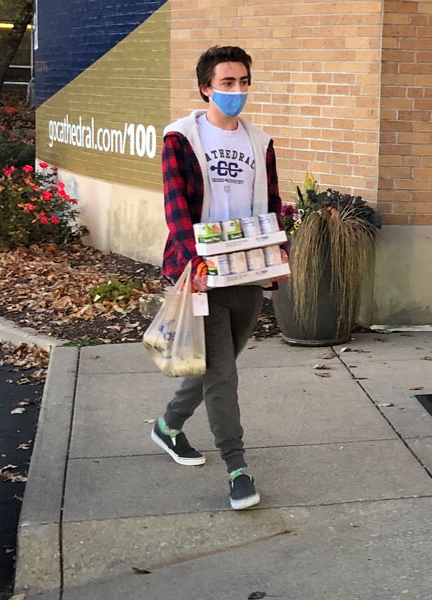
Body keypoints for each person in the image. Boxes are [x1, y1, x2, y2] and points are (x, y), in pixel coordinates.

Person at [151, 46, 288, 510]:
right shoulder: (182, 138)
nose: (237, 91)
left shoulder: (260, 141)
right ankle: (238, 467)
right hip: (201, 273)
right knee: (222, 373)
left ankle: (168, 426)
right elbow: (176, 209)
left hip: (246, 270)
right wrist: (194, 266)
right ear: (205, 87)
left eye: (244, 81)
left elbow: (270, 204)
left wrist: (277, 257)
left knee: (214, 366)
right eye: (227, 83)